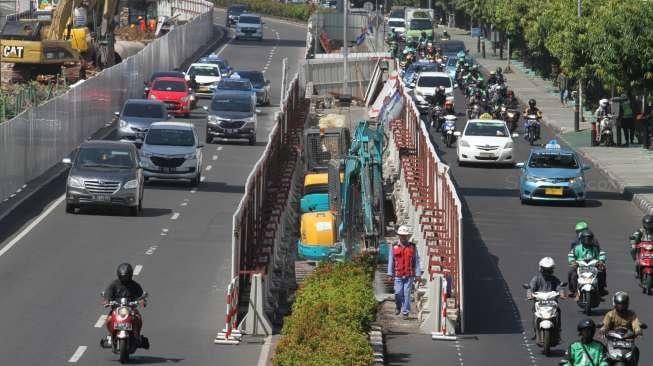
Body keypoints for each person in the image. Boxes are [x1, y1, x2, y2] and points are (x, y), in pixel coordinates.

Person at [102, 263, 149, 349]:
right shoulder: (114, 284)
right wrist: (106, 301)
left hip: (131, 309)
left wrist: (142, 301)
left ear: (130, 275)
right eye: (123, 276)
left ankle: (137, 336)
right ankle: (110, 336)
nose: (124, 278)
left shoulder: (135, 285)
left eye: (126, 276)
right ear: (119, 275)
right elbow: (107, 295)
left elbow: (140, 296)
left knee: (138, 317)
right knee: (109, 319)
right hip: (116, 309)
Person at [387, 225, 422, 319]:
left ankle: (405, 312)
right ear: (398, 235)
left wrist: (418, 274)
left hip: (409, 275)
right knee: (398, 293)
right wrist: (390, 274)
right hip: (398, 275)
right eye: (401, 235)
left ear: (408, 236)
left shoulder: (412, 247)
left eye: (405, 235)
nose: (403, 237)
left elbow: (416, 261)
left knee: (406, 293)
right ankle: (398, 306)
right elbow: (391, 261)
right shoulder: (394, 247)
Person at [526, 257, 565, 341]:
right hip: (539, 302)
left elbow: (559, 287)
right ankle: (535, 331)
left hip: (552, 302)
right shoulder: (536, 278)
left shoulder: (554, 279)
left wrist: (562, 294)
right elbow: (530, 288)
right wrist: (530, 295)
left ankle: (558, 331)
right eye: (545, 269)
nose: (547, 272)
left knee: (558, 311)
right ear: (541, 269)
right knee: (534, 312)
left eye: (549, 270)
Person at [600, 292, 642, 364]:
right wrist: (603, 329)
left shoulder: (631, 314)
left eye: (623, 304)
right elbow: (605, 324)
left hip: (627, 340)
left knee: (636, 350)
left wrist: (638, 330)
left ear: (627, 304)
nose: (621, 306)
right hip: (613, 340)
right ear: (615, 304)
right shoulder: (610, 314)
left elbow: (635, 323)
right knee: (603, 352)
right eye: (619, 304)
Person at [568, 230, 607, 296]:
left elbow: (602, 253)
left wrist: (601, 261)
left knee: (602, 271)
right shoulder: (577, 248)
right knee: (571, 273)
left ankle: (601, 289)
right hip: (580, 266)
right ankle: (573, 290)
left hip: (593, 266)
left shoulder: (595, 248)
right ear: (582, 239)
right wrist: (573, 262)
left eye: (589, 239)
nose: (587, 241)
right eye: (586, 239)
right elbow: (571, 255)